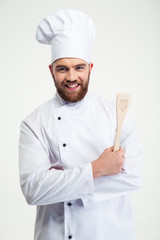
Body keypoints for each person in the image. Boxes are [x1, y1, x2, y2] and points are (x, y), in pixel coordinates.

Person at [19, 9, 142, 240]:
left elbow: (133, 176)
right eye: (62, 68)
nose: (72, 77)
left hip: (111, 233)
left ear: (90, 68)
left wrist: (59, 182)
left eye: (79, 67)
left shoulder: (115, 113)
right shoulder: (34, 123)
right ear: (51, 71)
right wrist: (98, 169)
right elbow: (33, 190)